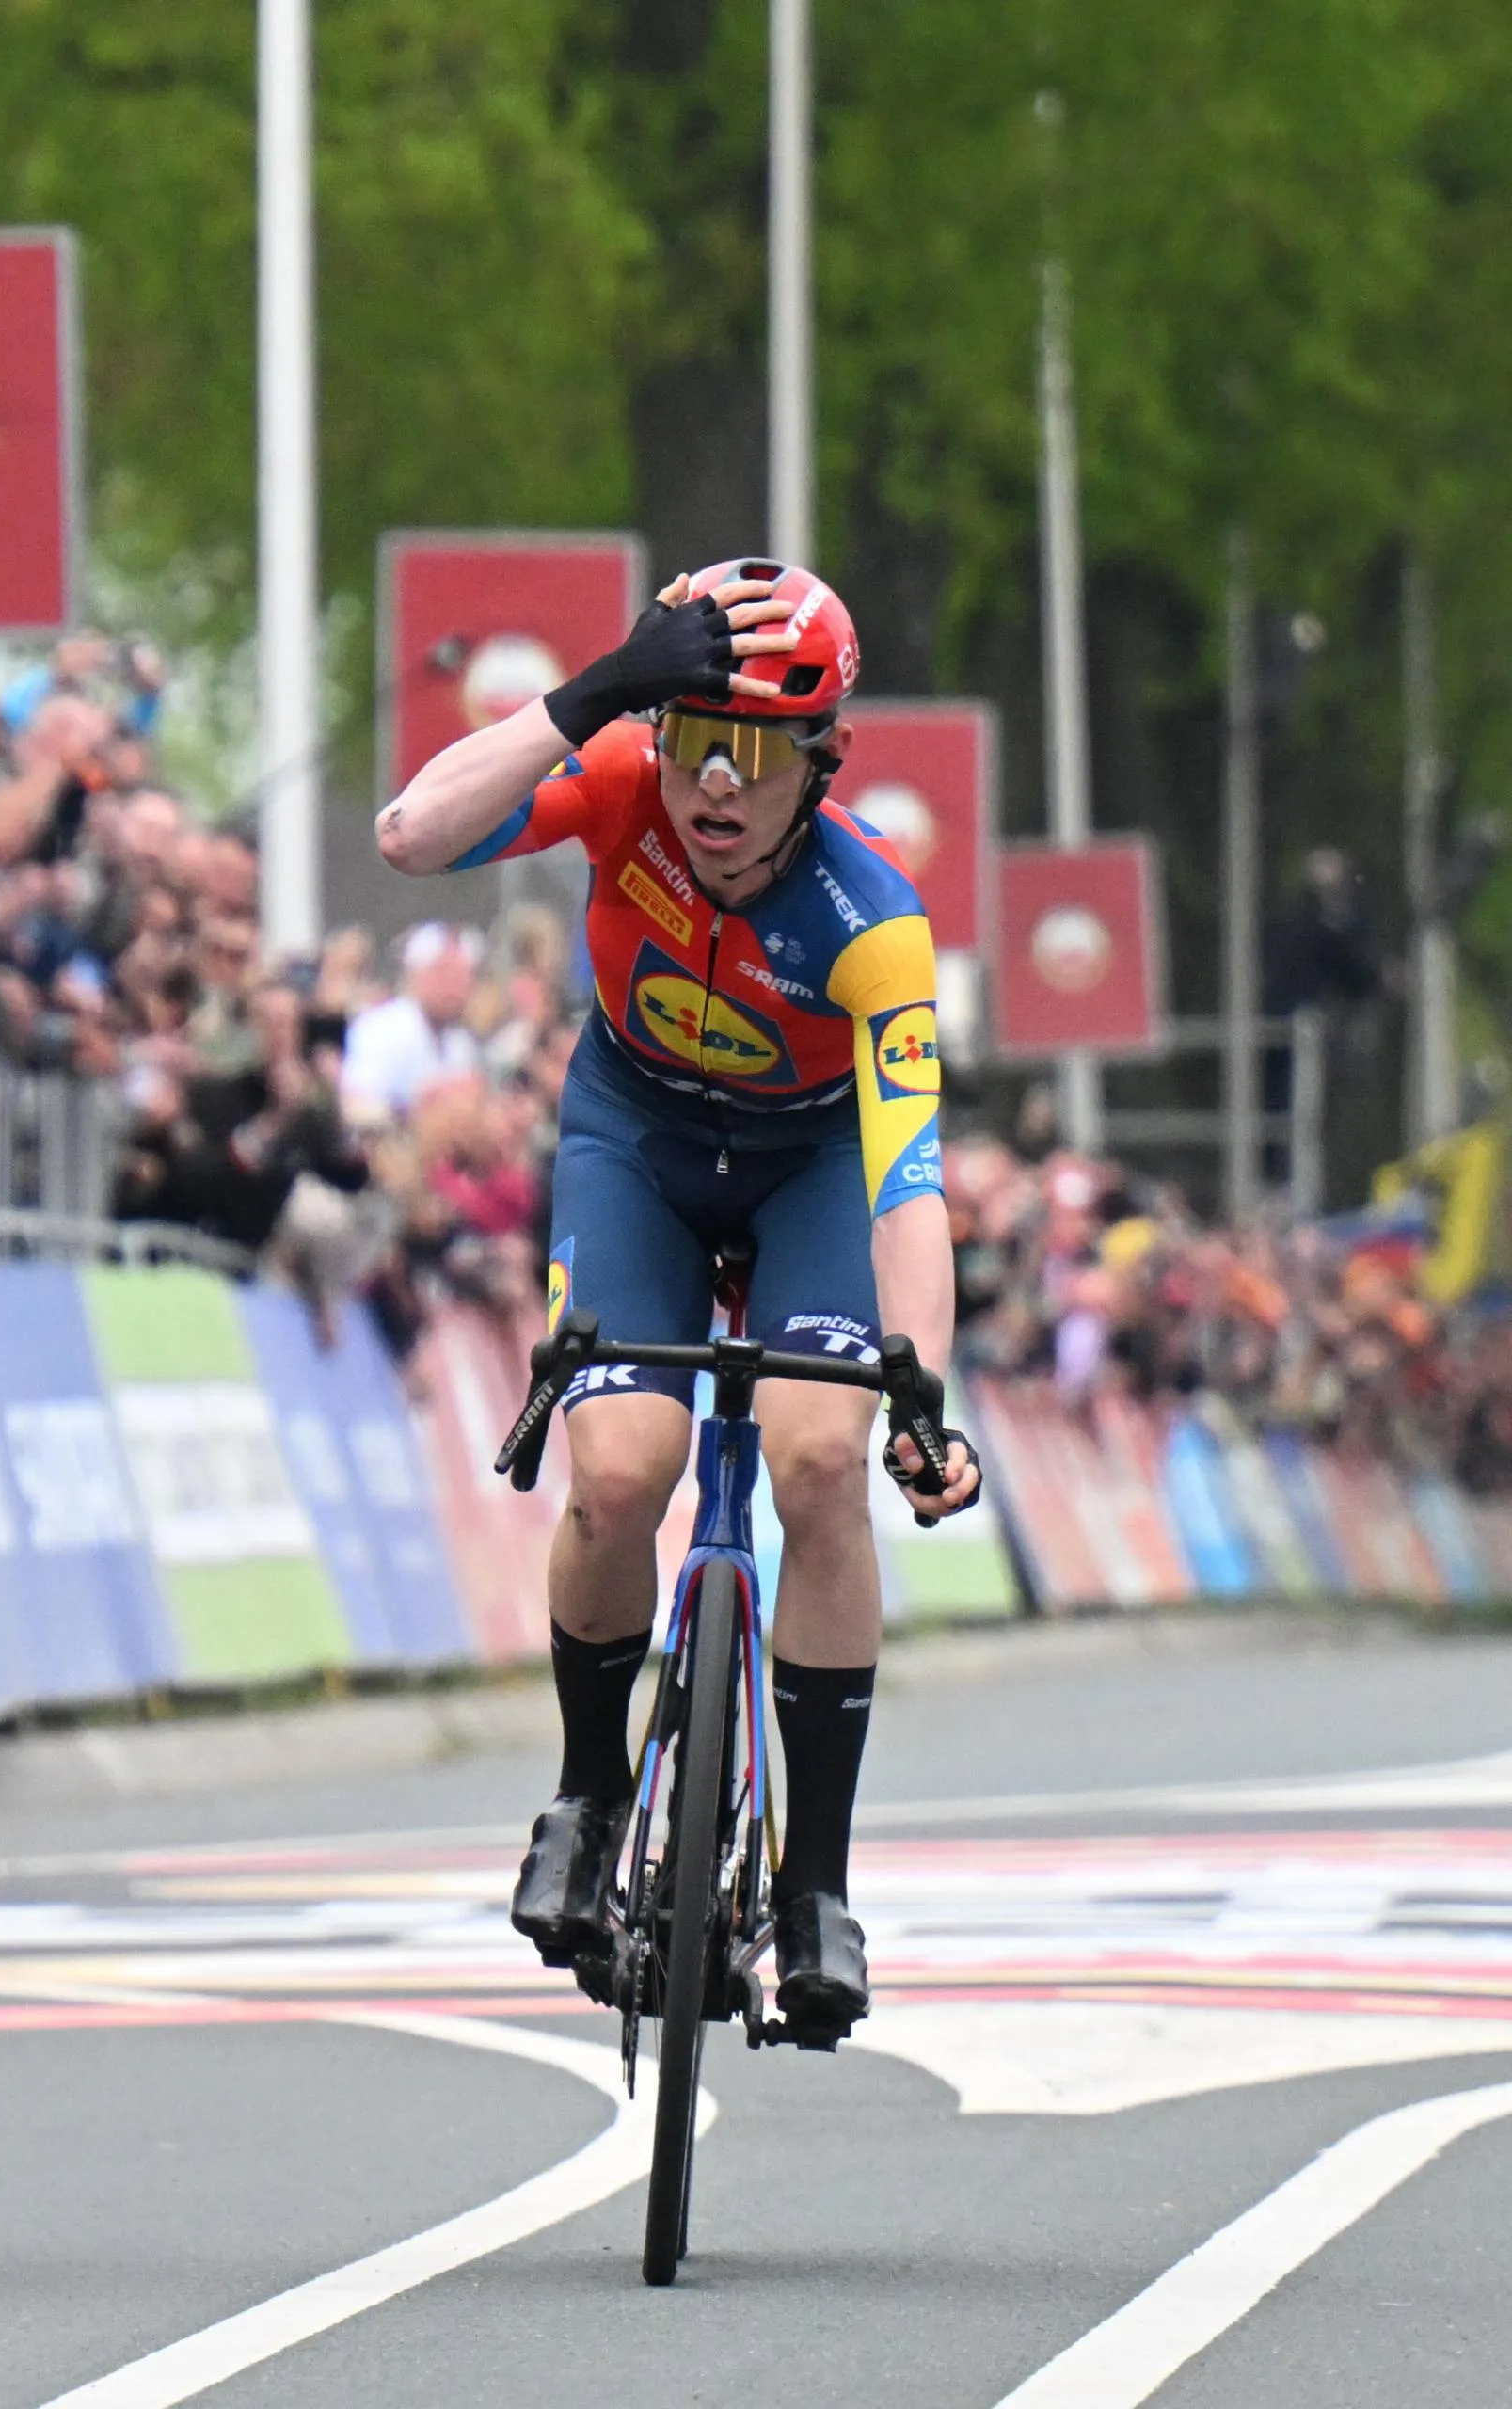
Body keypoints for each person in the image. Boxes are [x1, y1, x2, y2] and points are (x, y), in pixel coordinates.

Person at [373, 559, 986, 2044]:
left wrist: (921, 1389)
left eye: (762, 754)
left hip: (810, 1175)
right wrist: (598, 696)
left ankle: (818, 1887)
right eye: (695, 738)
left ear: (822, 763)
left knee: (823, 1462)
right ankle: (588, 1800)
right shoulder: (622, 780)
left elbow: (908, 1184)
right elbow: (412, 836)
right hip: (634, 1142)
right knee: (621, 1471)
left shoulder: (873, 921)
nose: (718, 783)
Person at [338, 921, 485, 1125]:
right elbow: (358, 1104)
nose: (456, 989)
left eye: (464, 977)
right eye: (446, 975)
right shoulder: (380, 1028)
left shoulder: (461, 1043)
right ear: (418, 975)